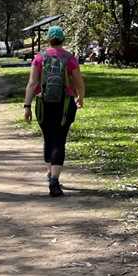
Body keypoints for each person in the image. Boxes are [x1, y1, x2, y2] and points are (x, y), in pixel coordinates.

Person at [23, 26, 85, 197]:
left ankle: (50, 173)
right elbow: (79, 82)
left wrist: (27, 106)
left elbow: (32, 83)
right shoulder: (69, 58)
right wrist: (80, 97)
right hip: (65, 104)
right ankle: (54, 181)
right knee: (59, 140)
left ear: (48, 39)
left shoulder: (39, 58)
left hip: (43, 103)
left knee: (48, 138)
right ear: (62, 39)